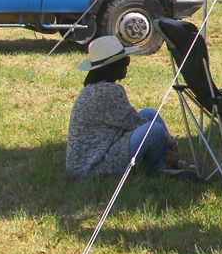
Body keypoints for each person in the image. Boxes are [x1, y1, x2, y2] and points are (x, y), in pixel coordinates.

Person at [67, 36, 191, 180]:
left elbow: (131, 121)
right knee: (154, 129)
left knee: (149, 114)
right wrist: (170, 143)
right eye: (126, 61)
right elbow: (133, 123)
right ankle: (159, 168)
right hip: (93, 165)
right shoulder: (107, 92)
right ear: (115, 65)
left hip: (95, 155)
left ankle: (166, 162)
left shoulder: (97, 89)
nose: (127, 65)